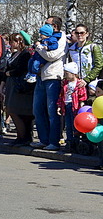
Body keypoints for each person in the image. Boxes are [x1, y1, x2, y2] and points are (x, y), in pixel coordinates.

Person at [31, 15, 67, 151]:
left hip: (53, 77)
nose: (44, 26)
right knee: (38, 109)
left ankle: (54, 141)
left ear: (55, 26)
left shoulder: (61, 39)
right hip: (41, 77)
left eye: (48, 24)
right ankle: (43, 139)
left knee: (52, 111)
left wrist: (39, 48)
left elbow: (51, 56)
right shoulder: (45, 37)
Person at [0, 31, 35, 146]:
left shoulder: (25, 54)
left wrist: (11, 73)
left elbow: (22, 69)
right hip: (12, 85)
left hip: (20, 86)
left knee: (18, 111)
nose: (10, 43)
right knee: (11, 110)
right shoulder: (14, 54)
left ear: (20, 41)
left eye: (12, 41)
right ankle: (20, 136)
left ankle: (24, 137)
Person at [57, 62, 87, 152]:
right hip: (66, 105)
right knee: (68, 125)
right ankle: (69, 141)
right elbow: (61, 95)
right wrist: (59, 106)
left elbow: (82, 95)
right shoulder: (65, 84)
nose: (65, 75)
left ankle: (76, 141)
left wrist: (81, 104)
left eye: (67, 73)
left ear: (73, 73)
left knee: (75, 125)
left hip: (75, 106)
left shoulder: (78, 84)